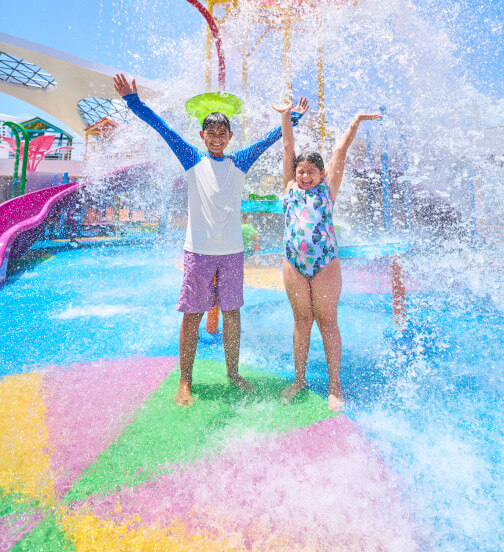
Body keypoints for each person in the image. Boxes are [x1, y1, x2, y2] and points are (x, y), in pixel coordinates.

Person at [113, 73, 307, 407]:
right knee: (192, 315)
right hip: (199, 253)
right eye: (211, 133)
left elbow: (269, 140)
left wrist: (293, 118)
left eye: (222, 133)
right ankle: (185, 381)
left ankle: (233, 373)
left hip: (232, 253)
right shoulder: (192, 158)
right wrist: (133, 101)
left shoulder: (239, 161)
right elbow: (162, 128)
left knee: (232, 314)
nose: (216, 138)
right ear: (202, 135)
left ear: (230, 136)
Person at [272, 100, 381, 411]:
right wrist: (285, 118)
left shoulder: (328, 190)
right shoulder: (290, 188)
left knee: (327, 320)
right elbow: (287, 150)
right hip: (293, 263)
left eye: (312, 171)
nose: (305, 176)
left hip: (325, 264)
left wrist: (356, 120)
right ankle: (299, 380)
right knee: (302, 320)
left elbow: (339, 153)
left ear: (321, 174)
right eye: (301, 171)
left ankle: (335, 383)